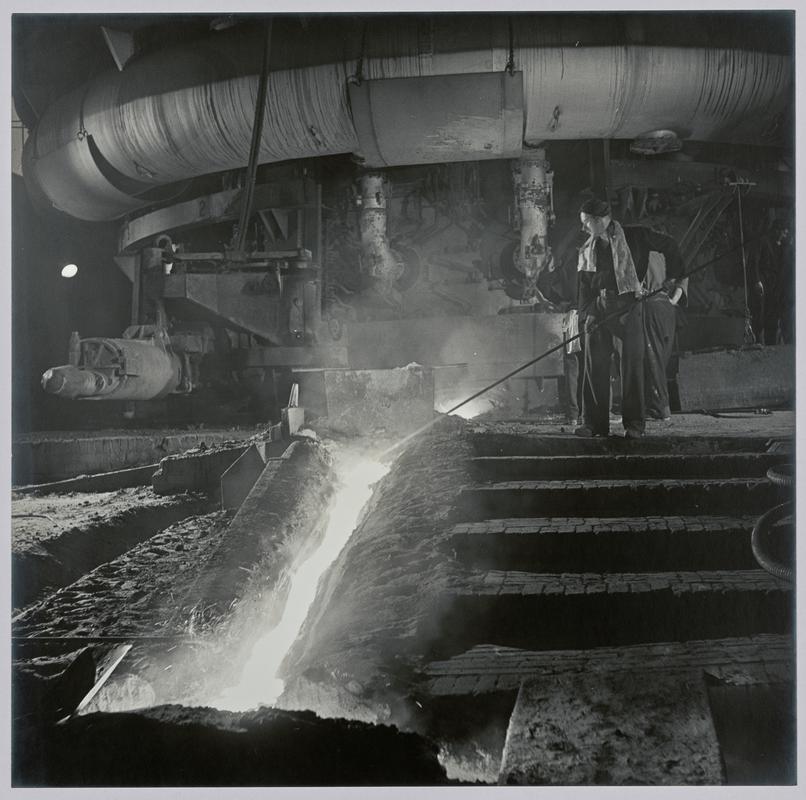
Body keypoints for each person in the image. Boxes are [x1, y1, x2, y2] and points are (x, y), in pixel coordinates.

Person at [574, 198, 683, 439]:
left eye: (586, 223)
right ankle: (593, 424)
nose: (583, 229)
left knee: (632, 366)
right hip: (599, 306)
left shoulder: (636, 236)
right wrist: (586, 314)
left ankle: (634, 425)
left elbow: (671, 245)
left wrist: (673, 278)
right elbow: (583, 285)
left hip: (629, 305)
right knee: (595, 365)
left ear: (601, 220)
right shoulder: (587, 248)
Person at [643, 250, 688, 421]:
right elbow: (684, 278)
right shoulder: (669, 254)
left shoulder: (643, 253)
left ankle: (659, 408)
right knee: (661, 359)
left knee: (652, 359)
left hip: (650, 306)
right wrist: (673, 301)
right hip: (668, 309)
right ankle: (657, 406)